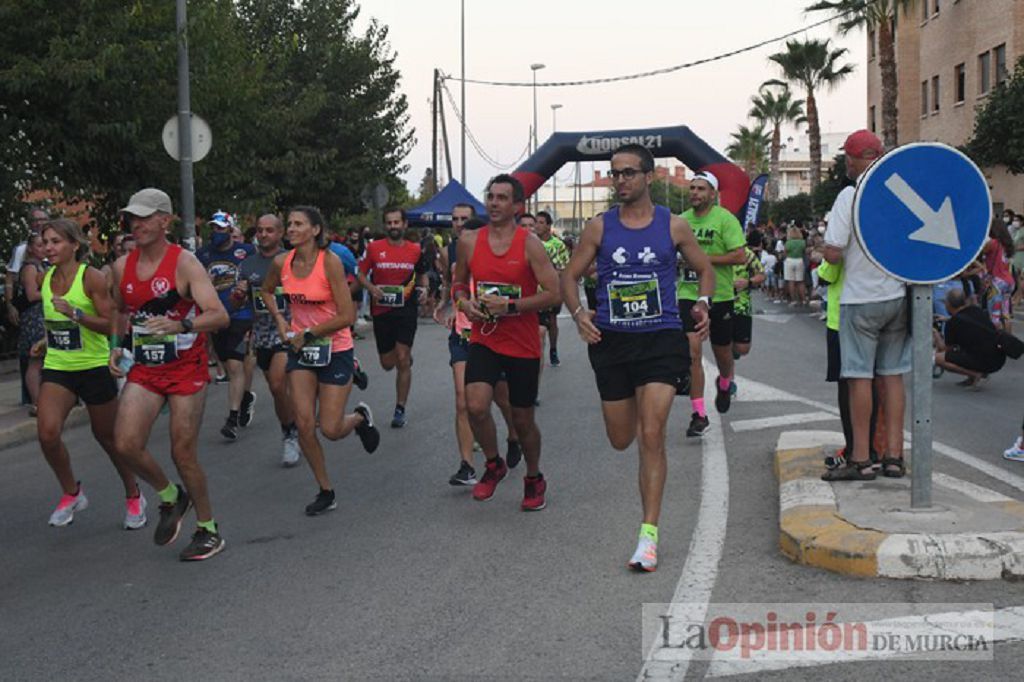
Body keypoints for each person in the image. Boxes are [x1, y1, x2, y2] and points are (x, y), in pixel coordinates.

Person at [561, 143, 713, 571]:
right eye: (615, 174)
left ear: (649, 177)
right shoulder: (598, 228)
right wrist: (578, 314)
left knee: (652, 433)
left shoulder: (674, 226)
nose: (620, 180)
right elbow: (568, 277)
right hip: (612, 342)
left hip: (662, 338)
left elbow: (706, 269)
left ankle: (648, 536)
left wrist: (702, 303)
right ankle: (646, 528)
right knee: (621, 438)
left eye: (628, 173)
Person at [108, 188, 230, 561]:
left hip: (185, 368)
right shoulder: (120, 266)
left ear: (165, 220)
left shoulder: (184, 263)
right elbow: (118, 309)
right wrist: (116, 344)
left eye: (146, 217)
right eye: (133, 217)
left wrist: (182, 325)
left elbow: (219, 315)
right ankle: (170, 496)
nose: (137, 224)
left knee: (183, 452)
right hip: (146, 367)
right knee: (125, 443)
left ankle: (208, 529)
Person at [261, 206, 381, 515]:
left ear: (315, 230)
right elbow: (266, 291)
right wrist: (280, 319)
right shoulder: (280, 262)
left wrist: (310, 332)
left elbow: (347, 315)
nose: (291, 229)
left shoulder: (330, 263)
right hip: (301, 350)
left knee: (330, 428)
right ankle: (325, 490)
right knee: (303, 424)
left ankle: (358, 419)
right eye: (289, 223)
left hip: (335, 349)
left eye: (298, 224)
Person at [451, 174, 561, 509]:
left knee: (523, 419)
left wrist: (511, 306)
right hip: (485, 337)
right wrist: (464, 303)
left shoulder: (529, 244)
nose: (494, 203)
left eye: (501, 198)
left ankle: (533, 477)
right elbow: (457, 286)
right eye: (490, 197)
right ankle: (494, 464)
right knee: (475, 406)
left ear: (517, 206)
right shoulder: (470, 242)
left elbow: (553, 293)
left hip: (522, 343)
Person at [30, 219, 146, 528]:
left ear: (74, 245)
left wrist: (76, 313)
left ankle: (134, 494)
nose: (49, 248)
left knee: (108, 438)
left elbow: (112, 323)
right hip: (58, 366)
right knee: (47, 433)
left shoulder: (91, 278)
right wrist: (46, 339)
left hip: (94, 365)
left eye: (56, 241)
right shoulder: (45, 278)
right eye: (46, 242)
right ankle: (72, 492)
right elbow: (55, 320)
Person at [822, 130, 909, 482]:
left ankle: (860, 459)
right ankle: (894, 456)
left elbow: (832, 250)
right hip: (897, 296)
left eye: (849, 157)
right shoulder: (899, 193)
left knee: (859, 377)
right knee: (892, 376)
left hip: (860, 298)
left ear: (855, 160)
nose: (847, 162)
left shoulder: (850, 195)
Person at [435, 206, 522, 486]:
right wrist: (447, 307)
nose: (462, 232)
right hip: (463, 337)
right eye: (457, 223)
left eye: (469, 229)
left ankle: (513, 434)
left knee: (503, 398)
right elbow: (452, 287)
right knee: (464, 402)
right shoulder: (451, 258)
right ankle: (467, 466)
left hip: (492, 338)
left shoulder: (497, 260)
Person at [675, 170, 746, 436]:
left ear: (713, 194)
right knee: (693, 351)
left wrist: (702, 260)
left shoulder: (724, 219)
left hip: (720, 294)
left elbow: (739, 256)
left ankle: (725, 382)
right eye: (692, 188)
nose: (694, 193)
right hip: (688, 293)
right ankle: (699, 413)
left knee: (723, 353)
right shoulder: (680, 221)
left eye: (700, 189)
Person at [238, 214, 302, 466]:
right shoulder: (248, 264)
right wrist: (238, 294)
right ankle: (291, 426)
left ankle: (291, 435)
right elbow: (239, 301)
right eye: (259, 230)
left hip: (289, 330)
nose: (263, 234)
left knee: (277, 384)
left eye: (269, 230)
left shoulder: (293, 260)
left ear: (280, 233)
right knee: (279, 391)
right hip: (262, 333)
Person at [356, 207, 428, 428]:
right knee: (388, 364)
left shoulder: (415, 250)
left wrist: (424, 289)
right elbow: (360, 274)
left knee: (403, 358)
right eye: (389, 223)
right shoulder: (375, 248)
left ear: (405, 225)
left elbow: (422, 273)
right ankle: (398, 359)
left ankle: (400, 408)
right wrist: (371, 287)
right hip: (382, 311)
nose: (393, 226)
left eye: (397, 222)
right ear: (385, 225)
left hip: (406, 310)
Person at [196, 211, 257, 441]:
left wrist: (250, 287)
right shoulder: (203, 255)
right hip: (216, 316)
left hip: (242, 314)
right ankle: (245, 397)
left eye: (221, 228)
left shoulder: (246, 252)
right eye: (214, 228)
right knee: (228, 362)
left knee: (234, 367)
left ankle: (231, 419)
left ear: (231, 230)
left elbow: (260, 274)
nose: (217, 232)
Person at [933, 287, 1006, 387]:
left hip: (985, 361)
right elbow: (967, 320)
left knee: (937, 358)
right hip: (998, 358)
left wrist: (935, 333)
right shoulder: (976, 310)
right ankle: (973, 377)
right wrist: (947, 319)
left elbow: (945, 349)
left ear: (949, 305)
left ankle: (976, 374)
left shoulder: (953, 323)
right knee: (970, 349)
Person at [533, 211, 570, 367]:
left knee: (551, 321)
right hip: (533, 292)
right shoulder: (531, 243)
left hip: (552, 290)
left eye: (541, 222)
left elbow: (566, 269)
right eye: (536, 222)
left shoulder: (558, 245)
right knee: (535, 324)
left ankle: (553, 349)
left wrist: (554, 272)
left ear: (548, 225)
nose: (537, 226)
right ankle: (535, 351)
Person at [17, 233, 46, 415]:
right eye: (39, 245)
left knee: (43, 360)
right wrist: (54, 291)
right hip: (34, 317)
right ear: (30, 248)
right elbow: (31, 294)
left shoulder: (43, 265)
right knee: (35, 360)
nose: (44, 248)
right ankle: (36, 401)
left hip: (43, 314)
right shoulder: (30, 267)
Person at [731, 231, 766, 371]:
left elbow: (761, 275)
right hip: (721, 302)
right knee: (723, 345)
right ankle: (727, 381)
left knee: (743, 348)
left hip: (742, 305)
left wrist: (748, 282)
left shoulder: (747, 254)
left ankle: (732, 351)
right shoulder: (718, 252)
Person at [783, 225, 807, 306]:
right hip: (799, 260)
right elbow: (804, 252)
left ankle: (794, 300)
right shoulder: (802, 242)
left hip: (790, 260)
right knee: (800, 281)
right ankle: (803, 299)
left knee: (791, 281)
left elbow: (785, 252)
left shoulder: (788, 242)